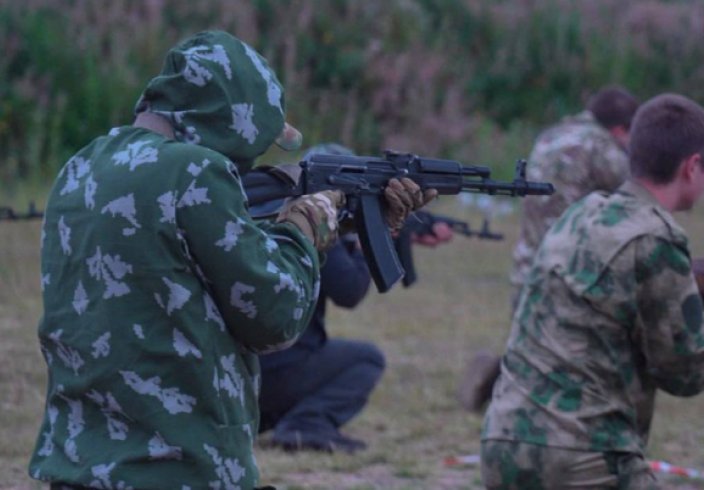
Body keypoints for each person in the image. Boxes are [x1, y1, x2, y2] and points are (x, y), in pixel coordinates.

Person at [28, 31, 432, 489]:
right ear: (236, 121)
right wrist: (309, 219)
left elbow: (181, 260)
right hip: (176, 469)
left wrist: (341, 221)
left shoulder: (81, 168)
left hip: (81, 463)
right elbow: (276, 314)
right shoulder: (196, 171)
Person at [479, 93, 704, 489]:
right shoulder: (657, 236)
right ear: (693, 167)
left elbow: (648, 289)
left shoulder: (584, 214)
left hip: (505, 442)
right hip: (583, 456)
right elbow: (689, 370)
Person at [252, 143, 453, 454]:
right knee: (366, 359)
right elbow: (348, 291)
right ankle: (306, 425)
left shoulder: (262, 210)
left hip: (240, 375)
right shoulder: (310, 220)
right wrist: (364, 243)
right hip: (277, 371)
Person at [458, 86, 641, 412]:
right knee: (575, 354)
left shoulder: (552, 134)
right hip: (572, 266)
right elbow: (637, 193)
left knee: (537, 348)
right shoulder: (601, 146)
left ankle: (498, 379)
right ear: (619, 130)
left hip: (529, 261)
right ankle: (507, 384)